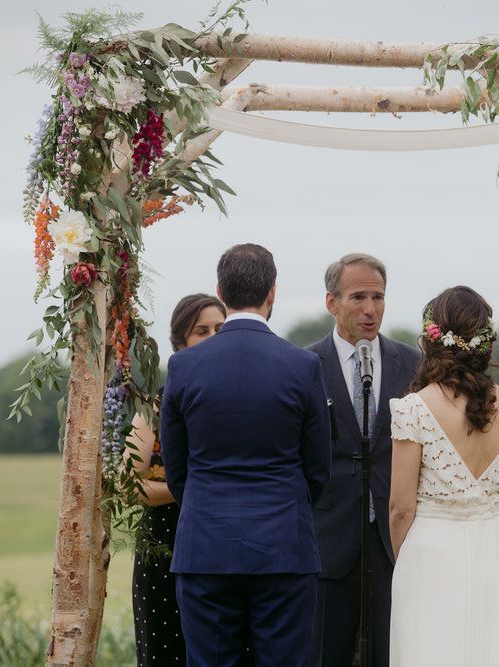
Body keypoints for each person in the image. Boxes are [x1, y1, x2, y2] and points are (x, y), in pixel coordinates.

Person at [161, 243, 332, 667]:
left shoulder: (184, 366)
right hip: (283, 548)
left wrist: (205, 505)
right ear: (272, 293)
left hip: (205, 547)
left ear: (220, 291)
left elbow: (177, 469)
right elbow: (318, 467)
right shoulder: (302, 365)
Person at [388, 286, 499, 667]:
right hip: (493, 547)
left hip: (430, 550)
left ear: (431, 337)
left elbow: (401, 508)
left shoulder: (413, 408)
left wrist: (407, 560)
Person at [306, 253, 420, 667]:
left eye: (378, 297)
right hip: (328, 539)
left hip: (394, 540)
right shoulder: (304, 365)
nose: (370, 309)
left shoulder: (413, 364)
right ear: (331, 302)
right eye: (358, 297)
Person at [127, 293, 226, 667]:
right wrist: (190, 487)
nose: (214, 336)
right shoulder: (155, 406)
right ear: (180, 342)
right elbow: (130, 485)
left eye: (220, 328)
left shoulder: (245, 399)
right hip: (164, 548)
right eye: (202, 331)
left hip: (226, 547)